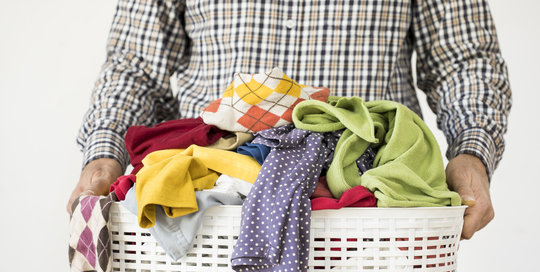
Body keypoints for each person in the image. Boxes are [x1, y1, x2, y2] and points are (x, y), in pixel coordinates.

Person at [67, 0, 511, 240]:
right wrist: (104, 154)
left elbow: (465, 60)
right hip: (211, 217)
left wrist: (472, 153)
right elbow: (136, 65)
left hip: (374, 212)